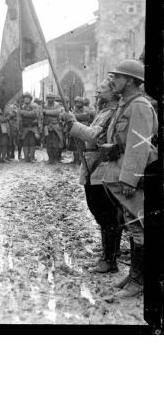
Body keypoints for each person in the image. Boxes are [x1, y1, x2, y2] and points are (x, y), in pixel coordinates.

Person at [101, 59, 157, 297]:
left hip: (135, 175)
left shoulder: (140, 106)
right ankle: (134, 275)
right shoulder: (127, 104)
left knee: (139, 227)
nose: (114, 80)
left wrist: (130, 179)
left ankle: (139, 281)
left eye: (119, 77)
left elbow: (139, 146)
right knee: (133, 225)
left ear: (133, 81)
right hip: (123, 170)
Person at [62, 79, 121, 273]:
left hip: (101, 165)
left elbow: (94, 136)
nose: (97, 90)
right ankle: (108, 253)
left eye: (102, 88)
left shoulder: (113, 112)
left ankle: (109, 260)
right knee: (99, 211)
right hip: (93, 164)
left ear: (113, 92)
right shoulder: (104, 111)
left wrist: (73, 123)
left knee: (105, 212)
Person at [43, 92, 64, 164]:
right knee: (48, 144)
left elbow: (58, 113)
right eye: (48, 98)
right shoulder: (45, 105)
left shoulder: (58, 105)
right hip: (47, 126)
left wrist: (46, 112)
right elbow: (42, 114)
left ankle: (56, 159)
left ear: (54, 99)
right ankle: (50, 159)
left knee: (56, 144)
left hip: (56, 126)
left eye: (51, 98)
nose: (49, 99)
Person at [19, 93, 40, 163]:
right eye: (25, 98)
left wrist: (24, 112)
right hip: (24, 127)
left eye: (28, 98)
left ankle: (31, 157)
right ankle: (26, 157)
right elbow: (19, 115)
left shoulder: (35, 105)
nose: (26, 99)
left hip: (33, 127)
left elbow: (34, 113)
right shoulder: (21, 106)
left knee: (32, 142)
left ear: (30, 99)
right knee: (25, 142)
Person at [69, 96, 91, 164]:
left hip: (82, 129)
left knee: (82, 146)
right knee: (74, 145)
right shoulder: (74, 109)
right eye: (76, 102)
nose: (78, 104)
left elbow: (85, 116)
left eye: (79, 103)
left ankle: (82, 160)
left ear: (82, 103)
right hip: (75, 129)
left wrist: (73, 116)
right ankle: (75, 160)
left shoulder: (86, 109)